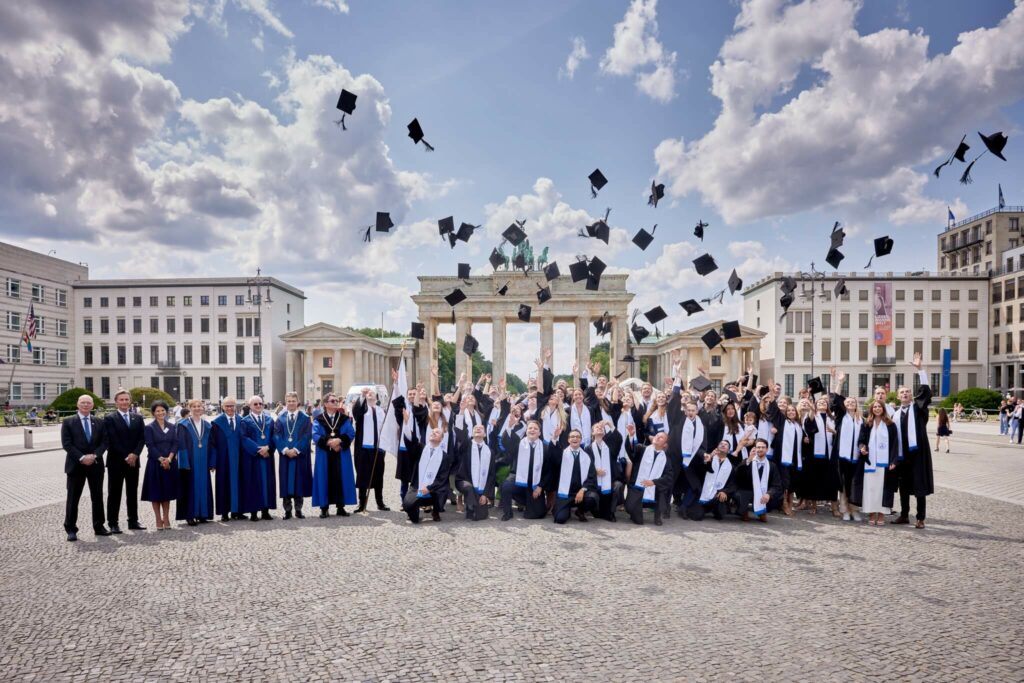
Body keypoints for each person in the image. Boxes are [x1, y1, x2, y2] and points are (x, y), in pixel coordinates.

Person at [892, 353, 935, 528]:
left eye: (908, 392)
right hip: (902, 455)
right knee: (903, 487)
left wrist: (920, 370)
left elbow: (925, 392)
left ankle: (920, 518)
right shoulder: (894, 414)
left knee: (919, 486)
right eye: (902, 392)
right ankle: (904, 515)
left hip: (918, 453)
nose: (905, 394)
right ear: (897, 396)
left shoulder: (918, 408)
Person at [61, 395, 110, 541]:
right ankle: (71, 528)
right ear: (78, 404)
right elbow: (67, 444)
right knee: (73, 498)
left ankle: (99, 526)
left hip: (95, 465)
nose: (85, 405)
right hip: (76, 465)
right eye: (83, 402)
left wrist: (94, 456)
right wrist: (82, 457)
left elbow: (105, 442)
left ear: (92, 405)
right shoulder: (68, 422)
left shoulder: (99, 422)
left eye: (88, 403)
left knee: (97, 497)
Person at [104, 389, 146, 533]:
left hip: (134, 461)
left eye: (126, 399)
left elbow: (142, 438)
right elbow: (111, 440)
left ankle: (133, 520)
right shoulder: (109, 418)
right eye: (121, 400)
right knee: (114, 493)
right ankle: (113, 523)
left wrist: (135, 454)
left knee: (132, 492)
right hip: (116, 461)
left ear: (130, 401)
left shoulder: (138, 418)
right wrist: (127, 456)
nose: (124, 402)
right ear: (116, 402)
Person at [311, 393, 357, 518]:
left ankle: (340, 507)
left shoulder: (344, 419)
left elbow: (351, 433)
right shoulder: (319, 419)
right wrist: (330, 443)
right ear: (325, 404)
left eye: (337, 400)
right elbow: (315, 434)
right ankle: (324, 508)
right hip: (324, 455)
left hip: (340, 454)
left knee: (341, 477)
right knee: (323, 478)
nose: (336, 402)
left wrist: (339, 441)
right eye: (332, 401)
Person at [855, 399, 899, 526]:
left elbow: (895, 444)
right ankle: (871, 513)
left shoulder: (890, 425)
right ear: (871, 409)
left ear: (883, 409)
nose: (877, 409)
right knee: (870, 489)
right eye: (875, 407)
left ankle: (881, 514)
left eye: (879, 406)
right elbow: (861, 440)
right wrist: (862, 447)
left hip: (885, 463)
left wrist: (894, 460)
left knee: (882, 489)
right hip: (870, 462)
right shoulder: (867, 424)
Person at [499, 420, 553, 521]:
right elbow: (507, 443)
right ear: (526, 431)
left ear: (539, 433)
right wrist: (509, 427)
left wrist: (540, 486)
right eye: (530, 428)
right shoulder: (519, 444)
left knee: (538, 514)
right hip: (518, 478)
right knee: (506, 486)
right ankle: (508, 512)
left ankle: (528, 503)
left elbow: (548, 471)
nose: (532, 430)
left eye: (535, 428)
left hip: (535, 483)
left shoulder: (545, 448)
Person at [176, 398, 215, 526]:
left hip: (203, 461)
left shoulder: (207, 425)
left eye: (199, 406)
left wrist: (212, 462)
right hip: (190, 461)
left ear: (203, 408)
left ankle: (203, 514)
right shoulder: (183, 424)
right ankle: (190, 515)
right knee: (190, 487)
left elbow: (212, 445)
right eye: (194, 406)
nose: (197, 408)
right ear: (190, 408)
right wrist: (184, 462)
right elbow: (181, 444)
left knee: (203, 486)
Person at [141, 400, 179, 530]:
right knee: (156, 493)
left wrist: (169, 459)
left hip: (170, 463)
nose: (161, 412)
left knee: (167, 492)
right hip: (155, 464)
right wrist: (161, 459)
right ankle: (158, 518)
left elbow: (175, 443)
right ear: (153, 413)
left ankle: (166, 517)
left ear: (166, 412)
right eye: (158, 411)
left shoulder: (173, 426)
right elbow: (150, 446)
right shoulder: (149, 428)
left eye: (163, 410)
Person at [275, 392, 313, 520]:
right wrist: (285, 449)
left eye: (293, 401)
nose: (291, 403)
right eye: (289, 401)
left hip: (299, 455)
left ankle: (298, 509)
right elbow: (276, 435)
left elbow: (307, 436)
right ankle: (287, 510)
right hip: (285, 455)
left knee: (299, 481)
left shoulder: (305, 418)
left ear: (298, 402)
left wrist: (296, 449)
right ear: (286, 402)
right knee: (285, 481)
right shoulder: (280, 418)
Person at [351, 387, 389, 512]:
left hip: (377, 449)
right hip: (364, 448)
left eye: (373, 393)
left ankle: (380, 502)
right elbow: (356, 412)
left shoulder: (380, 411)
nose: (370, 394)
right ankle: (362, 503)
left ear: (377, 397)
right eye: (368, 393)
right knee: (362, 475)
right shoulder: (363, 409)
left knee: (379, 475)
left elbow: (385, 429)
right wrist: (362, 396)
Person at [402, 427, 452, 524]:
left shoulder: (445, 457)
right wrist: (407, 424)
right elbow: (411, 442)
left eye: (437, 433)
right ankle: (414, 512)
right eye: (432, 432)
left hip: (434, 490)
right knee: (407, 505)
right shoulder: (420, 449)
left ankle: (436, 511)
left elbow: (442, 478)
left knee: (444, 489)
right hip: (417, 486)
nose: (433, 433)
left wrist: (429, 488)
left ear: (441, 439)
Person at [624, 430, 672, 526]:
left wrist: (654, 482)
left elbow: (669, 477)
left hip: (654, 489)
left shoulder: (666, 459)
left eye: (661, 437)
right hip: (638, 487)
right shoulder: (641, 449)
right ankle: (634, 510)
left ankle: (658, 515)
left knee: (663, 489)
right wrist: (631, 436)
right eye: (657, 435)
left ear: (665, 445)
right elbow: (631, 451)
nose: (657, 437)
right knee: (637, 519)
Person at [241, 395, 277, 521]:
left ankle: (266, 511)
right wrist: (258, 449)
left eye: (260, 404)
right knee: (253, 483)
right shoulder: (245, 421)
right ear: (250, 406)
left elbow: (275, 436)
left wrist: (269, 448)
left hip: (267, 456)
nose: (258, 406)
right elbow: (244, 438)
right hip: (253, 458)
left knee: (267, 483)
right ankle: (254, 512)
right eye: (255, 404)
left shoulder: (269, 420)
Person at [551, 429, 598, 524]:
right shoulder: (562, 454)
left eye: (577, 437)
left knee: (593, 497)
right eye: (572, 436)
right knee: (560, 519)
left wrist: (583, 489)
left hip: (580, 493)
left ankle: (580, 511)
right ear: (568, 440)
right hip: (565, 493)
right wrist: (555, 438)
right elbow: (553, 455)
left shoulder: (587, 456)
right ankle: (564, 509)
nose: (575, 438)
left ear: (581, 440)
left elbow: (592, 477)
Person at [211, 397, 245, 521]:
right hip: (223, 459)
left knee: (240, 484)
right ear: (223, 407)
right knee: (223, 485)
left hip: (239, 458)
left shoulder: (242, 421)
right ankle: (224, 512)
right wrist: (213, 462)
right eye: (227, 406)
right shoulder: (216, 423)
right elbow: (213, 444)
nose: (230, 408)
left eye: (232, 406)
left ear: (236, 407)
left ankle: (238, 511)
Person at [685, 440, 736, 521]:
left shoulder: (731, 467)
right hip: (703, 494)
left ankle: (714, 510)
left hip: (717, 497)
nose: (723, 445)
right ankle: (704, 508)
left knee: (720, 516)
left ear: (728, 450)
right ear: (717, 448)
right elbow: (698, 471)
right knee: (696, 516)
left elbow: (732, 484)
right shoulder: (709, 459)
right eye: (721, 444)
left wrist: (724, 491)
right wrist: (707, 459)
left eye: (726, 445)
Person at [733, 438, 782, 521]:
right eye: (758, 447)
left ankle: (762, 511)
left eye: (763, 447)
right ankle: (744, 511)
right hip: (747, 491)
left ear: (767, 449)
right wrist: (748, 460)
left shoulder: (772, 466)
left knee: (777, 495)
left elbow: (776, 484)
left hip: (763, 494)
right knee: (741, 494)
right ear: (755, 449)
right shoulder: (747, 461)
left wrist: (769, 494)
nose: (760, 449)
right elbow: (737, 476)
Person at [455, 424, 495, 521]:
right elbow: (460, 433)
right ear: (472, 433)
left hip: (481, 488)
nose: (478, 428)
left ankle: (474, 505)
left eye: (481, 428)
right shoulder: (466, 445)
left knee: (481, 516)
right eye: (475, 428)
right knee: (469, 487)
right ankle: (470, 507)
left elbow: (491, 475)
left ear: (485, 434)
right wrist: (461, 413)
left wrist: (485, 494)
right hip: (463, 481)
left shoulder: (490, 451)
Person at [586, 423, 623, 522]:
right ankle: (594, 510)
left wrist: (611, 425)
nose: (599, 428)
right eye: (596, 427)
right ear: (592, 433)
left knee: (618, 485)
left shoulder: (610, 446)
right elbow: (586, 467)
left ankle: (611, 512)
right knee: (595, 504)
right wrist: (595, 471)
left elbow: (619, 440)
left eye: (601, 427)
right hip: (595, 482)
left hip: (609, 480)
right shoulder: (588, 449)